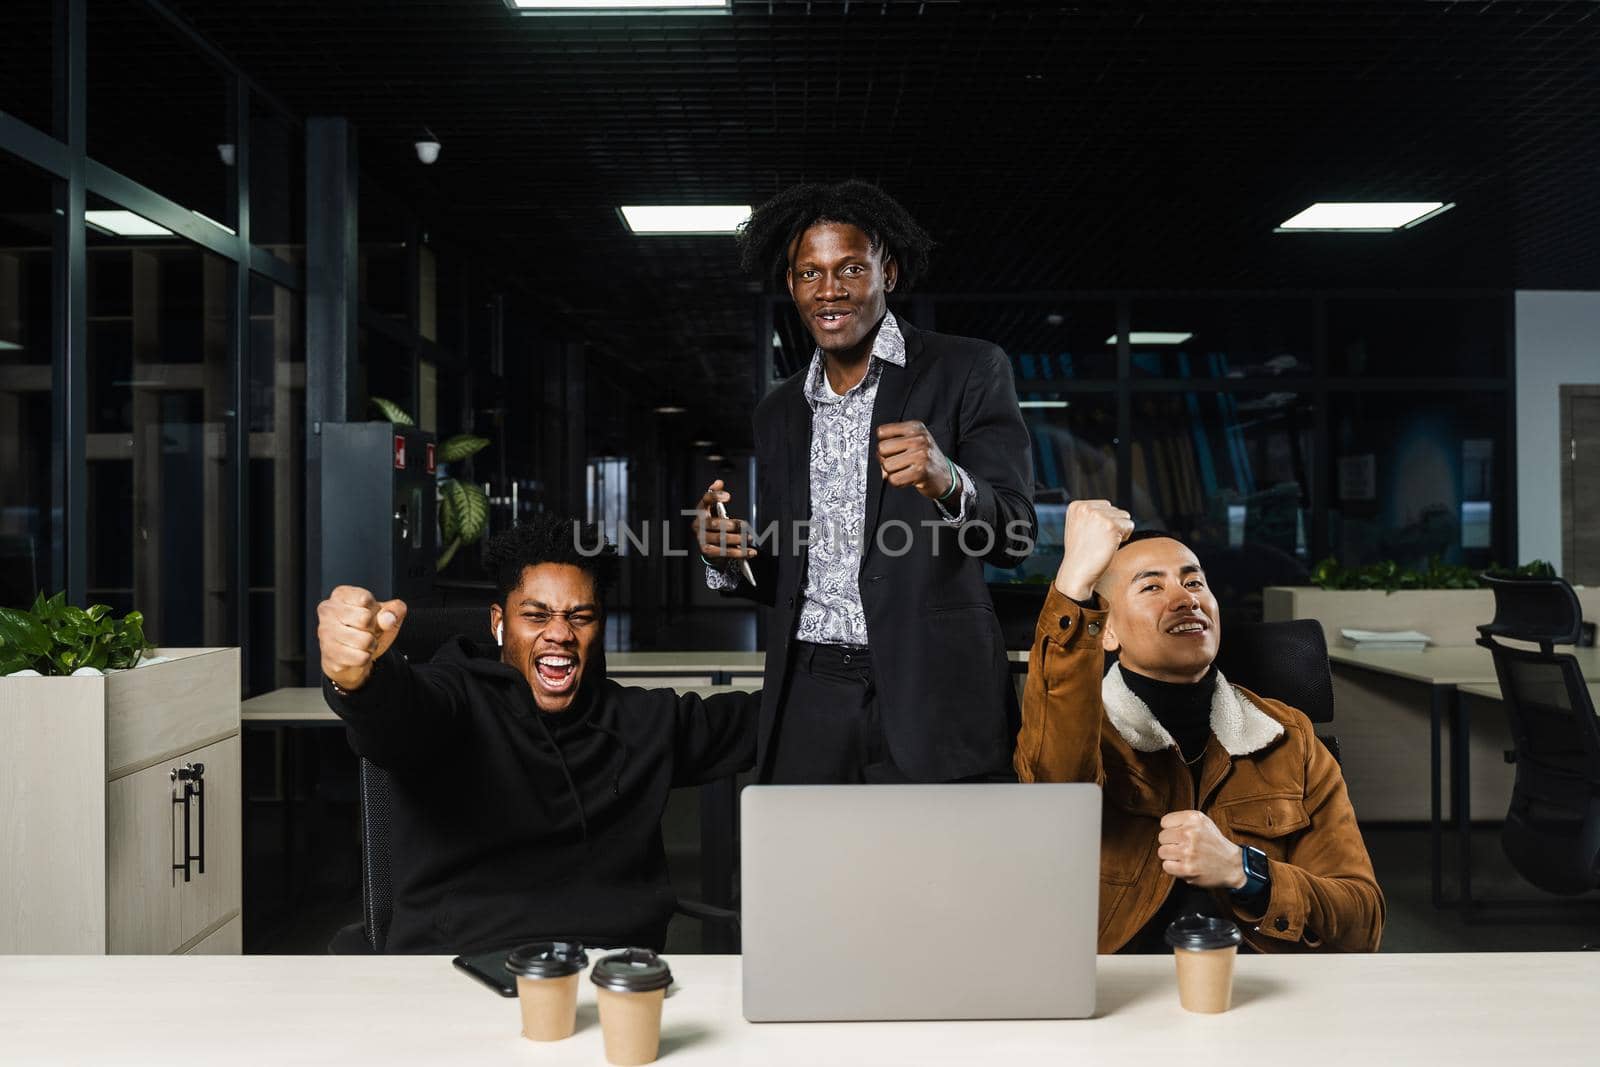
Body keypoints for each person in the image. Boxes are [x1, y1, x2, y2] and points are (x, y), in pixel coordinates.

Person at [692, 179, 1036, 784]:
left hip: (935, 690)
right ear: (792, 285)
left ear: (889, 273)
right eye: (808, 273)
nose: (829, 290)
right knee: (814, 871)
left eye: (851, 269)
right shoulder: (779, 412)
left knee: (939, 874)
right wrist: (730, 557)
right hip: (811, 689)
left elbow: (1015, 539)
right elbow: (791, 580)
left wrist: (948, 480)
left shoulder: (968, 369)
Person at [316, 515, 757, 954]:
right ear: (498, 622)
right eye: (536, 615)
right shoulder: (455, 701)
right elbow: (398, 713)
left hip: (609, 975)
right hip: (460, 973)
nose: (560, 634)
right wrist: (357, 679)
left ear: (599, 627)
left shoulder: (642, 720)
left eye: (580, 617)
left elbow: (768, 719)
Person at [1014, 500, 1384, 953]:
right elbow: (1057, 786)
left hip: (1257, 992)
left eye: (1194, 582)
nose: (1186, 598)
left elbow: (1361, 923)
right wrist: (1073, 583)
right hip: (1119, 995)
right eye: (1151, 587)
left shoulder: (1290, 737)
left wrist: (1244, 871)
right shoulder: (1084, 732)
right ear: (1107, 632)